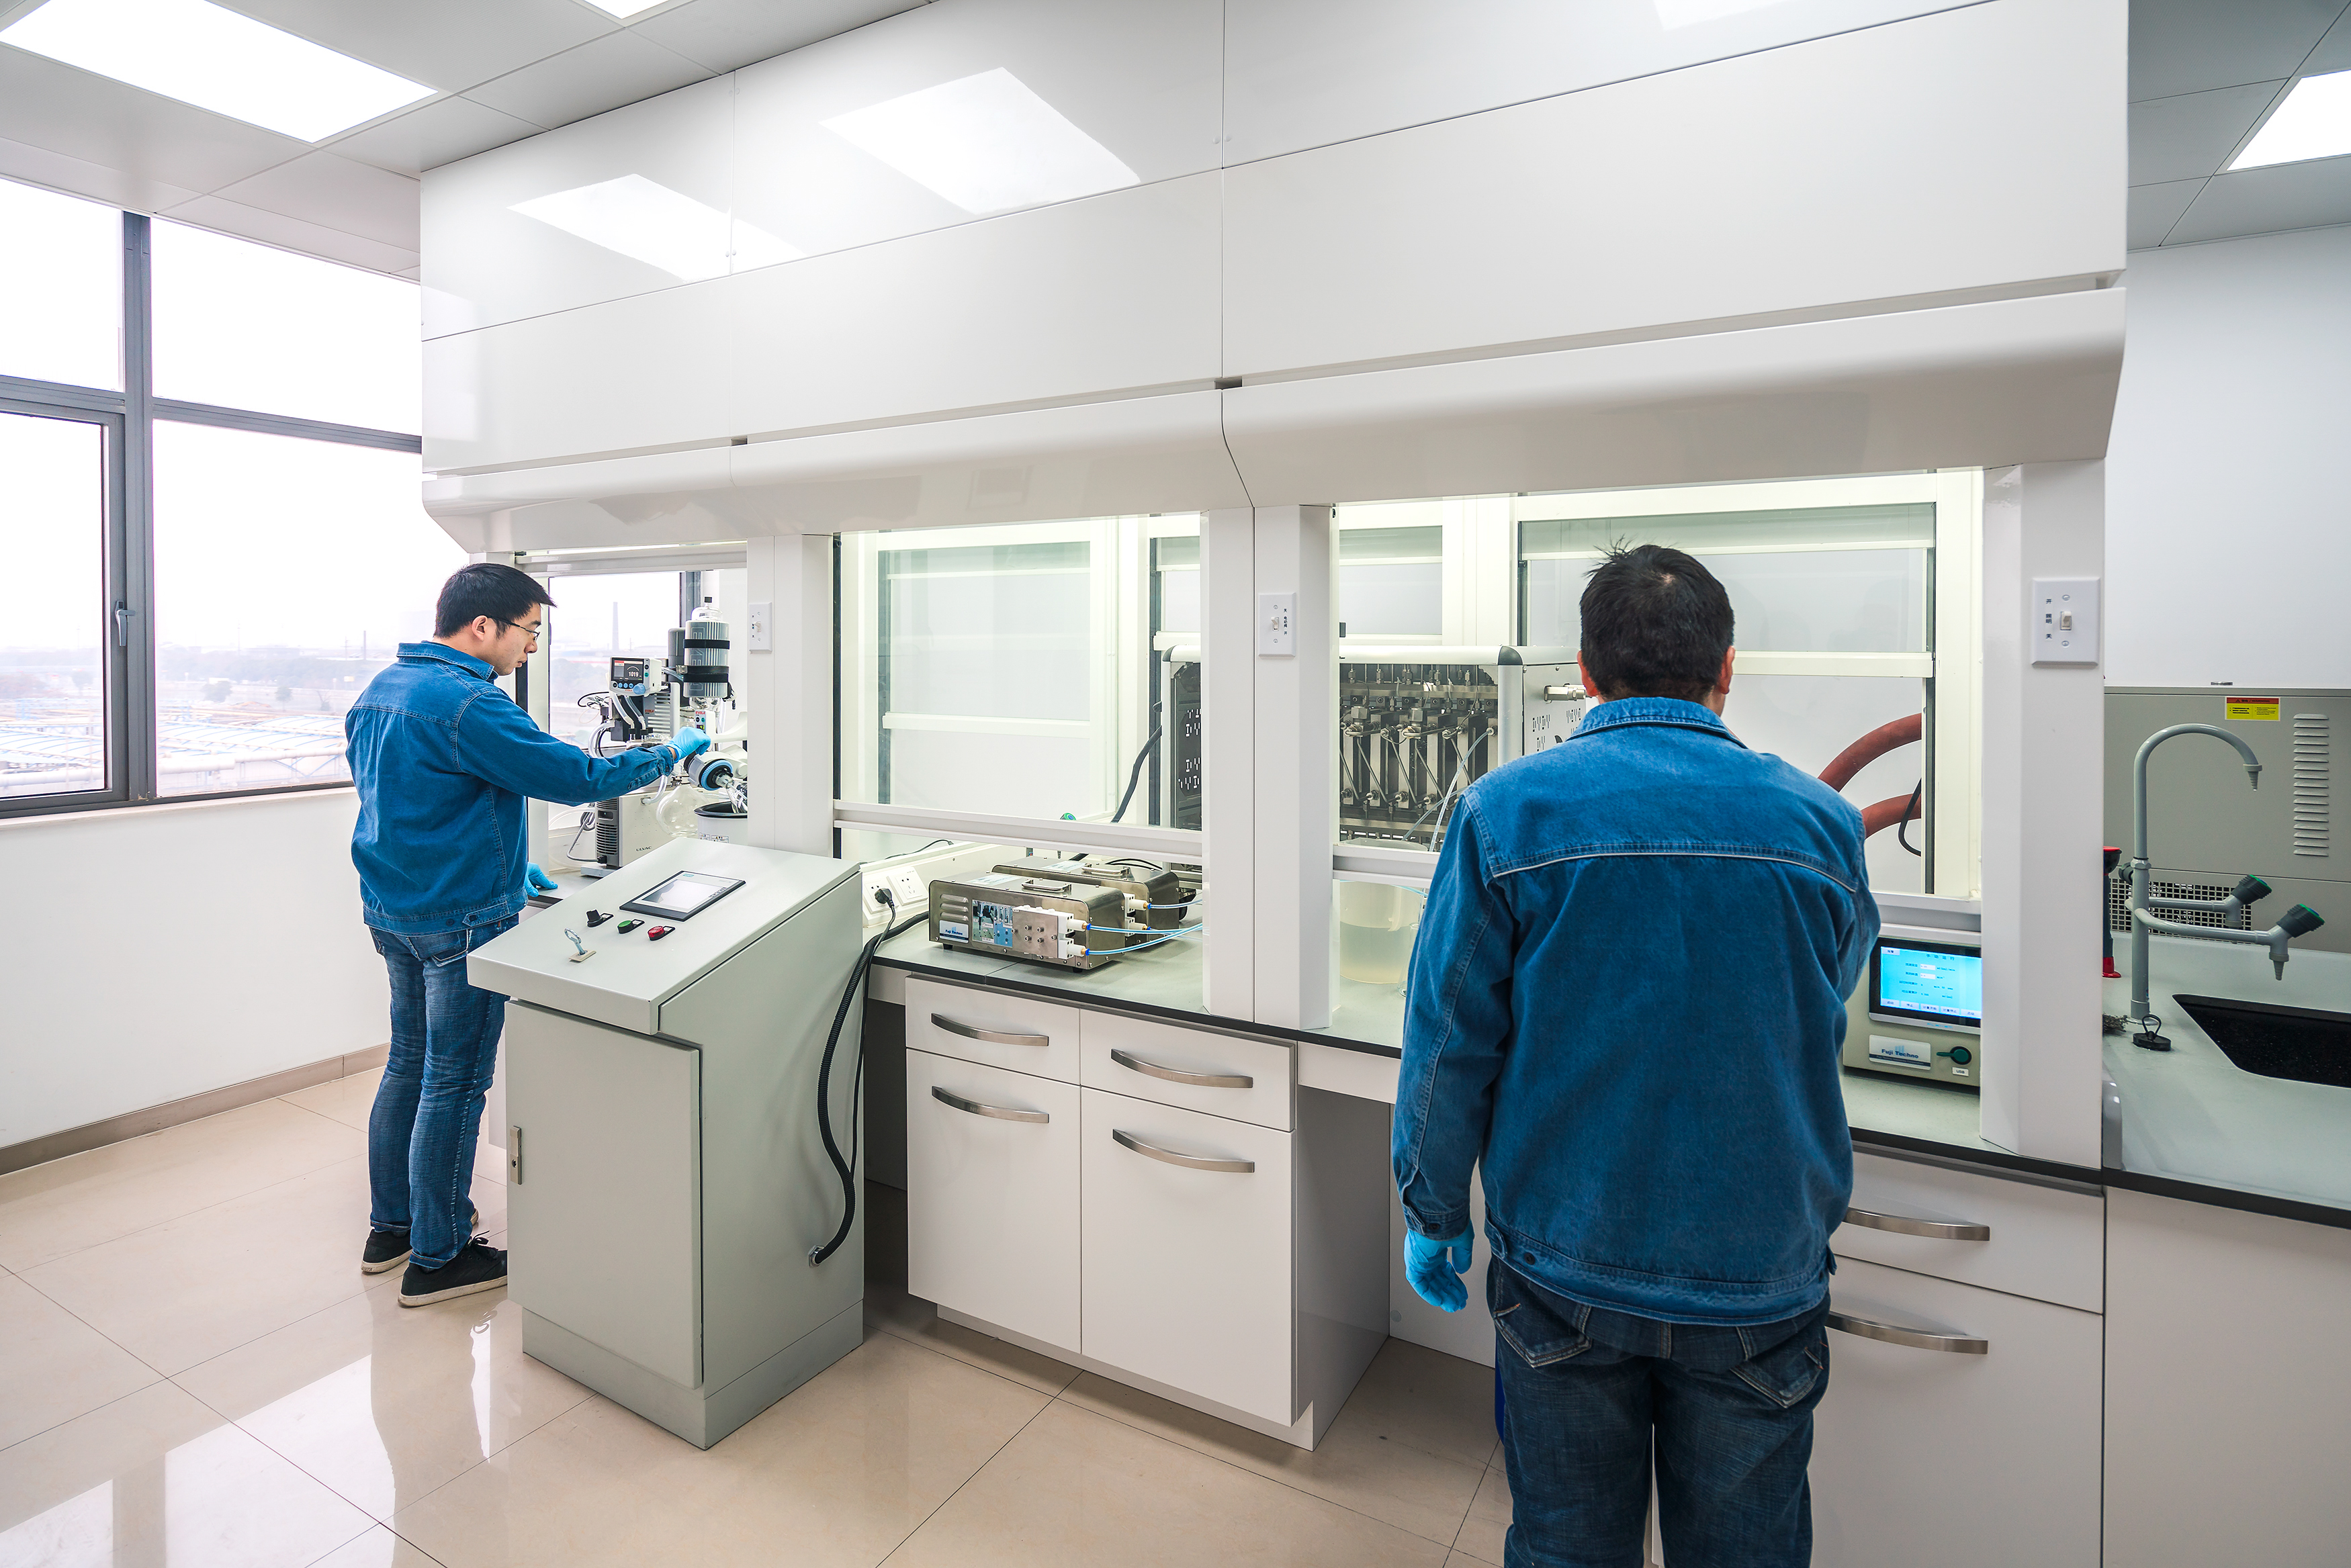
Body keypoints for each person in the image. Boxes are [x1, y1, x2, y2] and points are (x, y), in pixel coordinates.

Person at [1392, 544, 1879, 1568]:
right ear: (1728, 666)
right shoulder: (1825, 823)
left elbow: (1447, 1039)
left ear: (1583, 668)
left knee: (1567, 1547)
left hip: (1564, 1261)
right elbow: (1825, 989)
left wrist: (1432, 1211)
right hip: (1758, 1273)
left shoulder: (1503, 813)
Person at [347, 563, 711, 1307]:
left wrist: (511, 870)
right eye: (529, 631)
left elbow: (420, 802)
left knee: (409, 1064)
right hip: (461, 918)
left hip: (394, 908)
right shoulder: (469, 702)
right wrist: (671, 752)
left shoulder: (383, 688)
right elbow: (579, 778)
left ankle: (394, 1229)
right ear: (484, 626)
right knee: (454, 1079)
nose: (532, 648)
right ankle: (440, 1257)